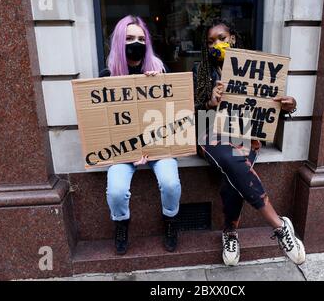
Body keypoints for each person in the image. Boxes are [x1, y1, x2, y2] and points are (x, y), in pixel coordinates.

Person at [192, 19, 305, 266]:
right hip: (210, 135)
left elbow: (269, 106)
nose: (217, 44)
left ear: (232, 37)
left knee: (234, 175)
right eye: (211, 41)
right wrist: (210, 102)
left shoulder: (256, 66)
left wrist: (290, 105)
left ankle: (230, 233)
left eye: (221, 38)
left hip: (245, 135)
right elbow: (192, 111)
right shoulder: (201, 71)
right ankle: (279, 225)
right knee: (232, 160)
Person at [100, 16, 181, 255]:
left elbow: (173, 114)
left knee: (170, 183)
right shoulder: (107, 75)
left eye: (140, 39)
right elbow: (103, 123)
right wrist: (130, 151)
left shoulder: (158, 69)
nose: (135, 43)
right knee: (115, 191)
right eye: (129, 38)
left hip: (157, 145)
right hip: (122, 150)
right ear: (118, 42)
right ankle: (121, 224)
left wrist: (161, 83)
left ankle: (170, 221)